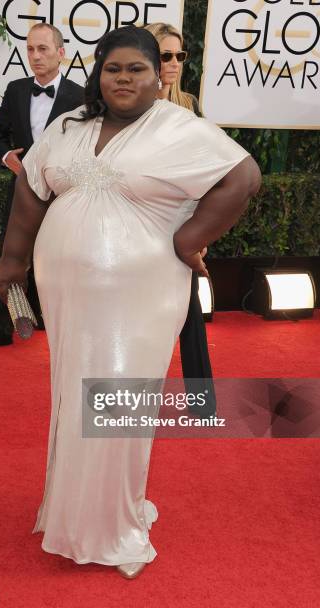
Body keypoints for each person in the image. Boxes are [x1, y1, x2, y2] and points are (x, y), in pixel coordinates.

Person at [0, 25, 261, 579]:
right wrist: (12, 258)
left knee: (117, 395)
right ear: (97, 72)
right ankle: (73, 511)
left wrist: (190, 239)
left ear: (156, 76)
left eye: (136, 68)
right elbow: (31, 187)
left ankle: (110, 523)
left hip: (143, 291)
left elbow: (243, 176)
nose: (123, 78)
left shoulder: (179, 128)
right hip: (68, 293)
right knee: (75, 391)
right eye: (112, 68)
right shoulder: (69, 126)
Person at [0, 23, 84, 350]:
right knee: (11, 255)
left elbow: (88, 144)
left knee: (64, 257)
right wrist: (9, 159)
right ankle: (0, 328)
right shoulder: (16, 90)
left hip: (63, 195)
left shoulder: (80, 96)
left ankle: (65, 328)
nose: (35, 56)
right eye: (30, 49)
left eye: (43, 49)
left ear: (61, 53)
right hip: (22, 191)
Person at [146, 22, 215, 416]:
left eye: (179, 56)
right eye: (165, 55)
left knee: (190, 311)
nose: (173, 64)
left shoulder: (189, 106)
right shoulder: (134, 108)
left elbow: (206, 171)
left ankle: (201, 399)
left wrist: (200, 230)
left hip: (182, 223)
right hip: (143, 221)